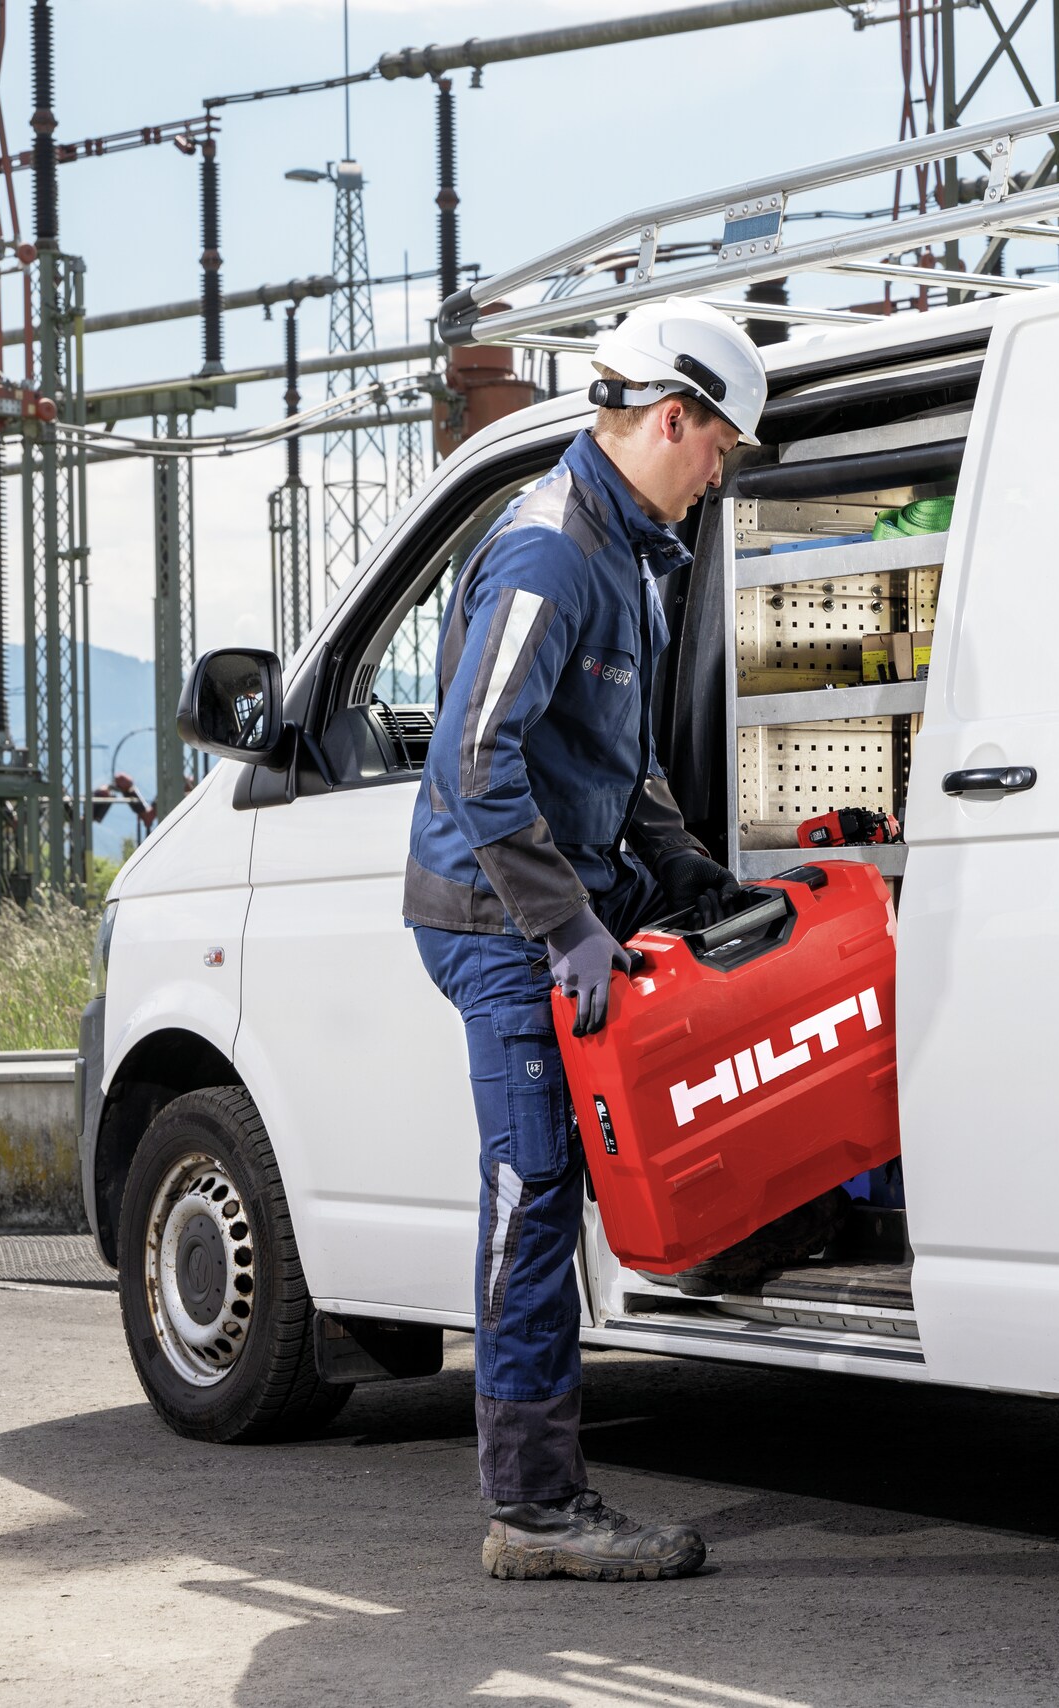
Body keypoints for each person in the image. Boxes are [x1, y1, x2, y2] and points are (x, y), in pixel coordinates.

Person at [404, 297, 763, 1581]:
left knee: (566, 1179)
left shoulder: (638, 556)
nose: (720, 471)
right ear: (672, 417)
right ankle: (535, 1509)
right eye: (719, 445)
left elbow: (629, 761)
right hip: (496, 916)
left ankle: (541, 1487)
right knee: (533, 1186)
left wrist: (684, 874)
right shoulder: (551, 549)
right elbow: (472, 761)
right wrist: (567, 932)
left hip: (561, 899)